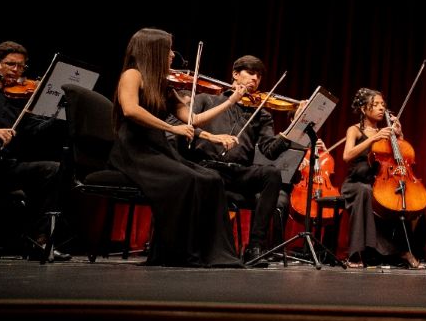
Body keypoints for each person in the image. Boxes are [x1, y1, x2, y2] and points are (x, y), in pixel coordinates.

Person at [108, 28, 247, 267]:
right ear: (153, 50)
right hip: (134, 150)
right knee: (188, 179)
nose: (172, 55)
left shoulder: (163, 84)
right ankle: (178, 253)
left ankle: (215, 255)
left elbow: (192, 119)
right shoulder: (132, 74)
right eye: (168, 49)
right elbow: (131, 109)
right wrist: (172, 130)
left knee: (211, 179)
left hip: (158, 147)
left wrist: (230, 101)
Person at [179, 55, 305, 268]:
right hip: (205, 167)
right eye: (250, 73)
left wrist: (293, 129)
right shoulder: (206, 100)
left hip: (238, 172)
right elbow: (186, 128)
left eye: (259, 75)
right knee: (210, 177)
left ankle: (255, 246)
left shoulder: (261, 114)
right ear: (235, 75)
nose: (255, 79)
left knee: (271, 174)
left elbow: (269, 151)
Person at [340, 87, 426, 269]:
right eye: (376, 104)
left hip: (378, 183)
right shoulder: (354, 130)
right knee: (365, 193)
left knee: (406, 198)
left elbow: (401, 157)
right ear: (364, 109)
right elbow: (347, 155)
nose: (381, 108)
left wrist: (399, 135)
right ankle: (357, 254)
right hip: (356, 183)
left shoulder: (386, 133)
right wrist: (372, 139)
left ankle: (409, 249)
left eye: (383, 105)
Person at [0, 40, 65, 163]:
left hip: (7, 161)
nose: (16, 70)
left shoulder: (23, 97)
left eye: (21, 66)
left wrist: (56, 112)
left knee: (57, 169)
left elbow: (35, 130)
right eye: (10, 64)